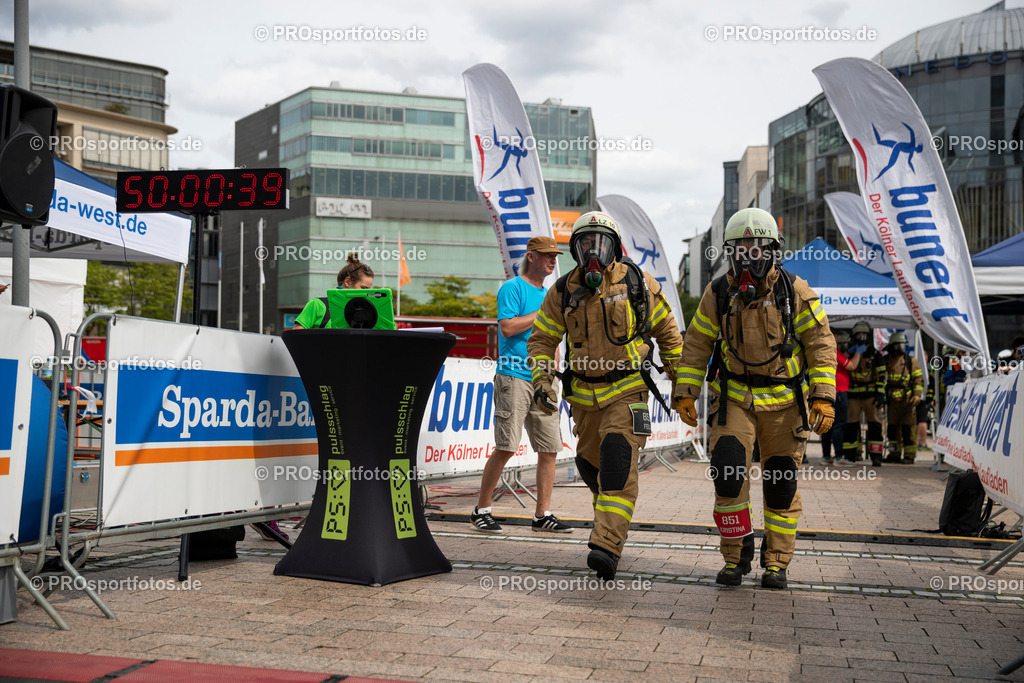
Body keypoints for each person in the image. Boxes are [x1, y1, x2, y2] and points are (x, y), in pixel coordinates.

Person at [674, 208, 836, 590]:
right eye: (740, 249)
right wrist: (686, 390)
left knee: (781, 484)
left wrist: (823, 396)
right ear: (730, 252)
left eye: (756, 248)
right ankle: (736, 556)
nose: (748, 256)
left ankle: (776, 562)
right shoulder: (718, 293)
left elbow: (821, 344)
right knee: (728, 478)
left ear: (772, 251)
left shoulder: (795, 291)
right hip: (734, 400)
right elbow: (696, 343)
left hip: (784, 404)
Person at [527, 212, 685, 580]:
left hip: (627, 392)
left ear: (614, 247)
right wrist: (542, 382)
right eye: (585, 243)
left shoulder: (637, 283)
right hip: (583, 399)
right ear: (575, 249)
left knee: (617, 462)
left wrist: (683, 384)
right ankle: (608, 517)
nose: (593, 251)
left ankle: (606, 545)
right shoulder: (563, 290)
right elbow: (541, 340)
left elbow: (668, 332)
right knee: (590, 467)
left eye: (601, 243)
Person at [470, 236, 571, 535]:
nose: (553, 260)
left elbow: (552, 338)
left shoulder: (551, 293)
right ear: (531, 256)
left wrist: (553, 370)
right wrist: (541, 315)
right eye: (547, 256)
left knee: (550, 449)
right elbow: (507, 327)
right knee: (506, 446)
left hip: (543, 380)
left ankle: (542, 515)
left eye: (555, 256)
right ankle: (481, 510)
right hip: (513, 376)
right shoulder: (512, 288)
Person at [291, 253, 374, 329]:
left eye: (368, 290)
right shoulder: (318, 305)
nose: (366, 293)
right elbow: (296, 336)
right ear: (347, 282)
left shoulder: (369, 312)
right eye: (363, 288)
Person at [844, 321, 887, 466]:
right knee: (850, 426)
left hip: (871, 396)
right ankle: (850, 455)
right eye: (858, 335)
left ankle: (876, 456)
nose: (861, 337)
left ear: (868, 336)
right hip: (853, 395)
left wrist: (880, 395)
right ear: (854, 336)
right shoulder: (849, 352)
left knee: (875, 426)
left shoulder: (875, 354)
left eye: (864, 335)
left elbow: (882, 376)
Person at [882, 332, 923, 464]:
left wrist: (917, 395)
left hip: (908, 401)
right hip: (892, 400)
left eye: (902, 344)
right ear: (892, 345)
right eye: (897, 344)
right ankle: (894, 453)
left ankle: (909, 455)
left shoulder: (911, 361)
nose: (900, 347)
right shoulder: (887, 359)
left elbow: (918, 379)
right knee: (892, 429)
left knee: (907, 428)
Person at [824, 330, 860, 466]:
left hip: (831, 390)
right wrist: (858, 353)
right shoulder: (833, 351)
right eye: (836, 336)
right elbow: (852, 366)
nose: (838, 338)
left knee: (827, 424)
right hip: (839, 391)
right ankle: (839, 456)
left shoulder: (827, 349)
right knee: (838, 424)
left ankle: (826, 456)